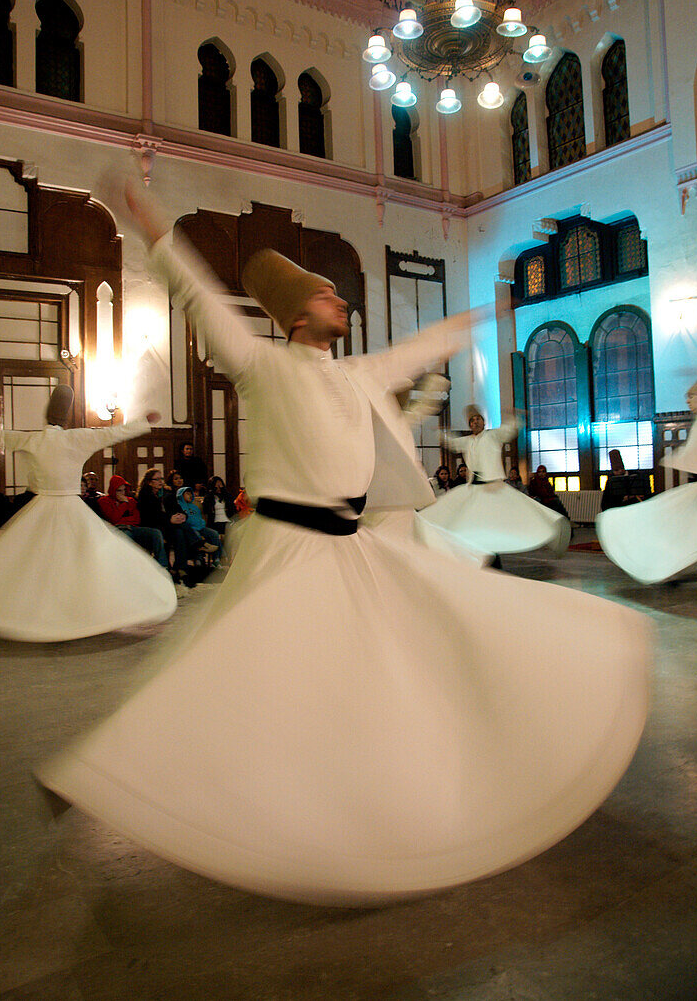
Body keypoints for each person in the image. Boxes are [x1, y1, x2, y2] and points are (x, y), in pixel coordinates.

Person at [38, 173, 648, 906]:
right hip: (286, 549)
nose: (342, 303)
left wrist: (469, 322)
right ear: (299, 315)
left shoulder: (357, 375)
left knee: (383, 670)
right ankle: (133, 776)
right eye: (330, 296)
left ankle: (370, 807)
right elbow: (198, 297)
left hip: (350, 547)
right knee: (248, 684)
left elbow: (412, 354)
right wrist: (155, 226)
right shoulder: (261, 365)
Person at [0, 387, 176, 641]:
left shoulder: (32, 439)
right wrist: (142, 423)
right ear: (66, 415)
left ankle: (45, 613)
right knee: (87, 560)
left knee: (34, 563)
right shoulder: (77, 437)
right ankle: (81, 611)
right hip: (71, 509)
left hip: (40, 509)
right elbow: (112, 433)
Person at [597, 374, 697, 583]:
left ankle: (665, 565)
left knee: (687, 524)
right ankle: (668, 565)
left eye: (693, 396)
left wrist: (677, 459)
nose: (688, 401)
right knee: (694, 528)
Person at [416, 405, 570, 562]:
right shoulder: (467, 441)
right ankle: (481, 555)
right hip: (474, 489)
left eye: (478, 419)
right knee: (467, 519)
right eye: (472, 420)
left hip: (493, 487)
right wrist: (440, 432)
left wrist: (516, 418)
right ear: (469, 425)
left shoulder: (493, 436)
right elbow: (452, 442)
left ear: (484, 423)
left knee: (498, 520)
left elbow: (508, 430)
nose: (475, 422)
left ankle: (494, 556)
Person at [137, 468, 200, 591]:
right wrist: (170, 519)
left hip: (168, 525)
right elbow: (152, 516)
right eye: (157, 479)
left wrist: (182, 516)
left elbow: (178, 508)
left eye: (161, 478)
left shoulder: (166, 494)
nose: (161, 481)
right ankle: (195, 546)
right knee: (178, 530)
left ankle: (181, 569)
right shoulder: (145, 495)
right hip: (152, 526)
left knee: (179, 531)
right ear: (149, 482)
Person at [176, 485, 222, 562]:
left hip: (200, 527)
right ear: (181, 495)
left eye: (191, 493)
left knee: (214, 533)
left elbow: (199, 517)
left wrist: (202, 523)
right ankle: (199, 558)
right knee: (196, 536)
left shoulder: (195, 506)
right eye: (187, 494)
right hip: (190, 529)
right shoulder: (179, 506)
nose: (190, 495)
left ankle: (216, 558)